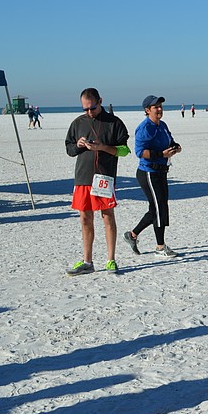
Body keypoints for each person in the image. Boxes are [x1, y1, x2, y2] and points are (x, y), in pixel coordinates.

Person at [65, 88, 130, 275]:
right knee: (85, 218)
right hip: (83, 176)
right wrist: (77, 145)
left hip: (104, 177)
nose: (89, 112)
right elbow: (69, 149)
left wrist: (102, 147)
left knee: (107, 216)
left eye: (92, 108)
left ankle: (111, 260)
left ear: (100, 101)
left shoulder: (114, 122)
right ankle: (87, 261)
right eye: (85, 109)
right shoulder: (78, 123)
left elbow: (124, 150)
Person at [123, 95, 181, 258]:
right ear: (147, 110)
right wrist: (160, 154)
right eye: (156, 107)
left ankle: (132, 235)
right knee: (158, 209)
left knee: (159, 207)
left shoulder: (162, 125)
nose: (160, 109)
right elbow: (140, 152)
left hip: (162, 171)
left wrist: (175, 148)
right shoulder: (144, 128)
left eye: (161, 106)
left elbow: (170, 141)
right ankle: (160, 247)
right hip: (148, 172)